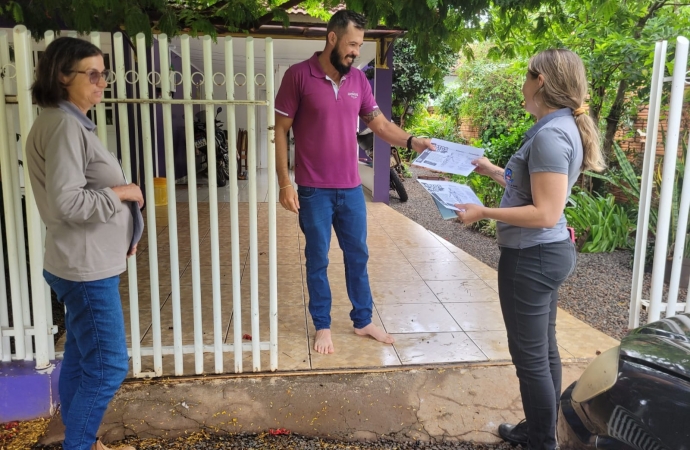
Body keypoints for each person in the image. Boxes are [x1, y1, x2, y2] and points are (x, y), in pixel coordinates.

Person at [455, 49, 605, 450]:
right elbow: (533, 187)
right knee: (543, 350)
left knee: (530, 357)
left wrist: (481, 211)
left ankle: (542, 441)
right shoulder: (553, 127)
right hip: (544, 253)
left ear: (540, 81)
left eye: (525, 75)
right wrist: (491, 170)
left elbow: (544, 212)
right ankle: (541, 429)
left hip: (532, 257)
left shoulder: (552, 135)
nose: (521, 85)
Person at [274, 10, 434, 355]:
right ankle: (323, 325)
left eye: (359, 45)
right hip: (313, 189)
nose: (356, 52)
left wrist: (412, 141)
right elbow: (282, 129)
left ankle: (362, 321)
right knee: (317, 258)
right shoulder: (298, 75)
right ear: (332, 38)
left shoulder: (358, 82)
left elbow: (380, 124)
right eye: (351, 44)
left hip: (349, 190)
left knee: (357, 255)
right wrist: (284, 183)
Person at [26, 37, 144, 450]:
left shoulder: (68, 122)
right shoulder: (63, 126)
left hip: (83, 262)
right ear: (62, 76)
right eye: (92, 75)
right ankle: (78, 445)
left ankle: (83, 441)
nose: (102, 83)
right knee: (109, 366)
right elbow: (67, 203)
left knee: (79, 359)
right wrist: (124, 193)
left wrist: (124, 231)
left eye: (103, 74)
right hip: (84, 269)